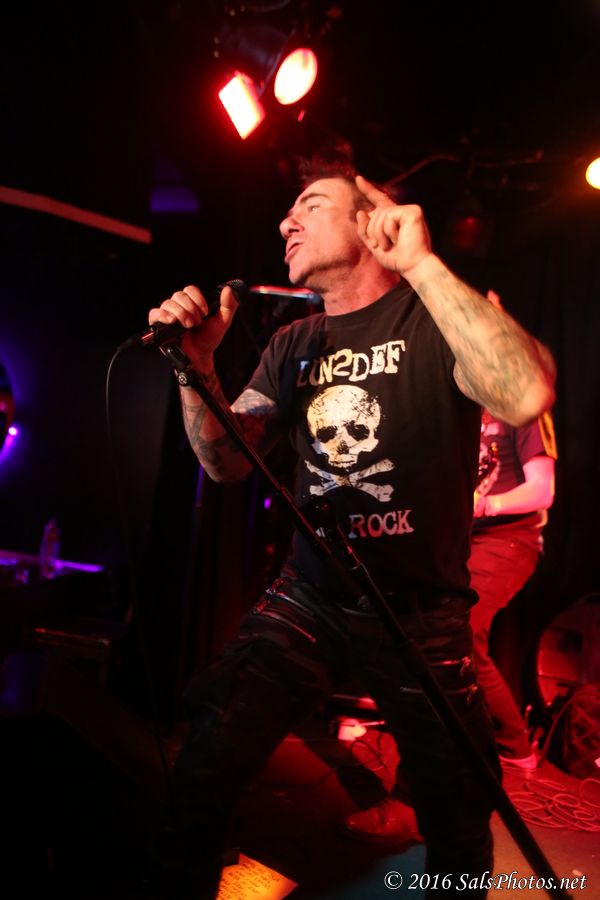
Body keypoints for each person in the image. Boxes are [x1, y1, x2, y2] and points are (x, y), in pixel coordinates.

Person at [147, 160, 555, 897]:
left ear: (369, 222)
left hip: (419, 606)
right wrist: (196, 367)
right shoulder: (293, 342)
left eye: (310, 204)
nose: (286, 221)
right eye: (288, 210)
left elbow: (524, 394)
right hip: (311, 593)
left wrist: (422, 263)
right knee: (208, 752)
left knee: (458, 815)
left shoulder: (434, 318)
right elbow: (225, 461)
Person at [342, 395, 557, 846]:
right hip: (456, 543)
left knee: (449, 635)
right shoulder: (451, 407)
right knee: (455, 641)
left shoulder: (522, 409)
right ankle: (512, 747)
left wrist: (481, 506)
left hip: (509, 540)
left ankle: (415, 802)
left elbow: (543, 490)